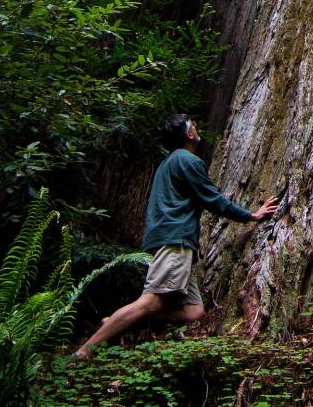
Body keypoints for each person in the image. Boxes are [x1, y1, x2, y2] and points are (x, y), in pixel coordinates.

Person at [73, 113, 278, 360]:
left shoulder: (168, 163)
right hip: (175, 240)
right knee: (151, 302)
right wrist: (252, 216)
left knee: (193, 312)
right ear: (187, 134)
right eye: (192, 124)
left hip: (167, 239)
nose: (196, 125)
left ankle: (118, 321)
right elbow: (212, 199)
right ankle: (85, 350)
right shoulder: (186, 160)